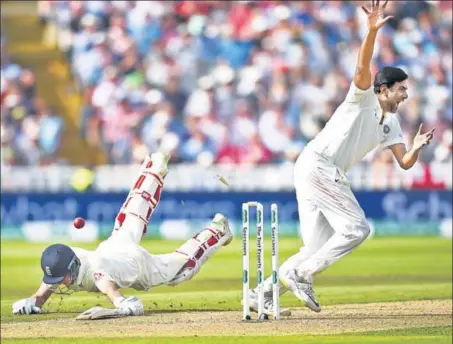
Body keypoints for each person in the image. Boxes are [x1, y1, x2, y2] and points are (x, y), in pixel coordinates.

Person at [248, 0, 435, 314]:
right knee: (357, 228)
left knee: (316, 247)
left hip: (316, 168)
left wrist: (415, 147)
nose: (405, 95)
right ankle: (303, 274)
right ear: (384, 89)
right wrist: (371, 32)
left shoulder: (393, 124)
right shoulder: (361, 99)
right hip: (319, 164)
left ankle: (261, 293)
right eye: (401, 89)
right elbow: (362, 68)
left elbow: (404, 163)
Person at [12, 152, 233, 318]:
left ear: (72, 268)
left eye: (60, 278)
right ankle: (154, 168)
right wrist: (33, 302)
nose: (59, 283)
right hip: (113, 248)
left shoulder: (97, 274)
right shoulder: (69, 258)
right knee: (131, 214)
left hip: (137, 266)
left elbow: (114, 293)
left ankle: (217, 231)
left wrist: (122, 305)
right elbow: (46, 286)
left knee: (179, 269)